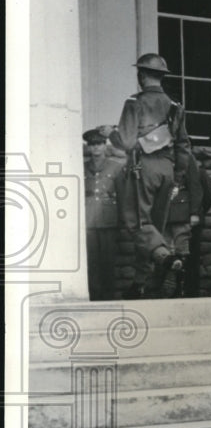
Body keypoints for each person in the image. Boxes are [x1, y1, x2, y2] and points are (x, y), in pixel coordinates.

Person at [111, 53, 190, 299]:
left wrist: (110, 132)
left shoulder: (134, 102)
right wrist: (177, 176)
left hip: (141, 168)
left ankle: (167, 259)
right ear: (161, 77)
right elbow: (184, 146)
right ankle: (140, 283)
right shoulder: (176, 106)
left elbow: (125, 141)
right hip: (167, 170)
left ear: (141, 75)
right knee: (153, 227)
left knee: (138, 223)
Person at [83, 126, 125, 300]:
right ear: (88, 147)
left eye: (99, 144)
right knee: (91, 261)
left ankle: (108, 296)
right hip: (89, 219)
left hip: (109, 220)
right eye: (92, 145)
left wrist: (122, 222)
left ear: (105, 145)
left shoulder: (115, 167)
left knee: (108, 260)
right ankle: (94, 295)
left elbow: (123, 196)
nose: (96, 148)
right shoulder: (82, 167)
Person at [157, 148, 204, 298]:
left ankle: (180, 290)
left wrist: (194, 212)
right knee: (164, 253)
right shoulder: (155, 155)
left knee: (182, 252)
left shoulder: (185, 156)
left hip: (181, 212)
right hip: (162, 213)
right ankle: (166, 291)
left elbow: (195, 185)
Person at [185, 158, 211, 297]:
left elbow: (208, 196)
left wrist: (198, 212)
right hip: (174, 221)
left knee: (192, 258)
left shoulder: (200, 172)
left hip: (193, 223)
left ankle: (191, 292)